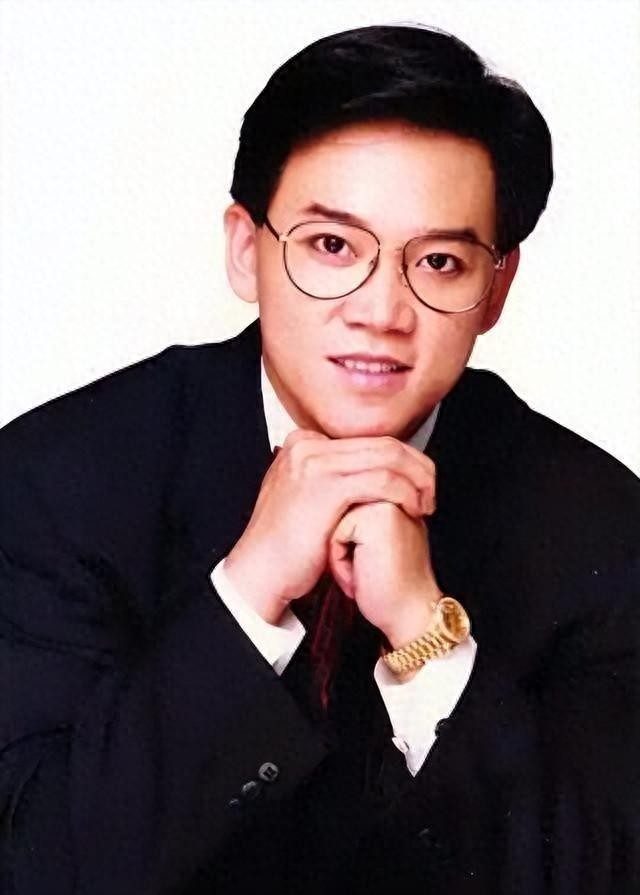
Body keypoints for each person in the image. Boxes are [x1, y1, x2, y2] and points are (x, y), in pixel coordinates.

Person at [0, 22, 638, 895]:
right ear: (246, 249)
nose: (381, 310)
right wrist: (248, 593)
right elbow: (32, 864)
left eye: (440, 262)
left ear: (495, 288)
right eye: (332, 247)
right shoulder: (57, 479)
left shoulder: (597, 522)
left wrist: (425, 633)